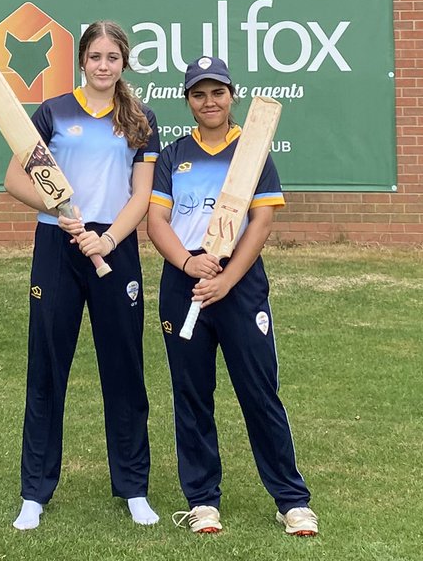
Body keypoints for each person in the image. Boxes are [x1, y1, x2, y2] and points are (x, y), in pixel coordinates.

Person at [147, 55, 317, 537]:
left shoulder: (254, 151)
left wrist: (225, 278)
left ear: (231, 95)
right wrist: (187, 262)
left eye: (217, 92)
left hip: (238, 284)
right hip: (185, 282)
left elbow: (261, 222)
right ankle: (202, 500)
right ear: (188, 101)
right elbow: (156, 221)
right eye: (199, 94)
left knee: (258, 392)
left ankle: (291, 500)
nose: (209, 102)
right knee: (192, 394)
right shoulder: (173, 153)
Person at [4, 20, 160, 530]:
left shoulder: (140, 120)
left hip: (113, 248)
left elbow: (141, 195)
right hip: (58, 244)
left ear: (123, 64)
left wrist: (108, 238)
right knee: (47, 366)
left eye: (112, 58)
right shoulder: (52, 112)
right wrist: (56, 210)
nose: (102, 66)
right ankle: (35, 492)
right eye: (94, 57)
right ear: (82, 62)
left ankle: (134, 487)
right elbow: (13, 179)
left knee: (124, 368)